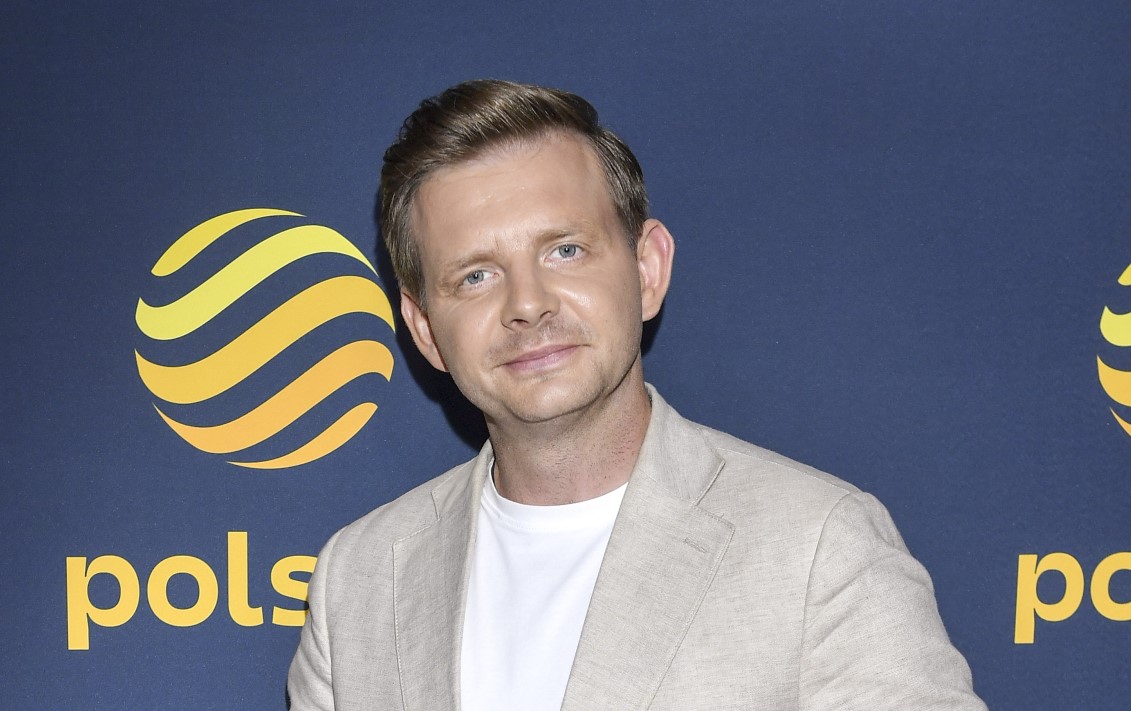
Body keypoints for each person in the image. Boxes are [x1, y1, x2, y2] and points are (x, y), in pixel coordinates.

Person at [287, 79, 987, 711]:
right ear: (424, 331)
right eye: (475, 276)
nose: (527, 304)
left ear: (647, 270)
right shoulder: (359, 578)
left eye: (564, 250)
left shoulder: (816, 548)